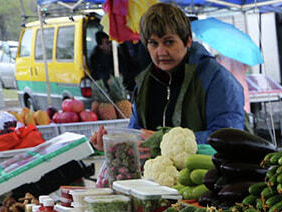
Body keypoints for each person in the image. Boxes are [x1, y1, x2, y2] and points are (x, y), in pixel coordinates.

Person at [91, 3, 244, 149]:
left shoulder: (216, 79)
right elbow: (138, 135)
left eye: (169, 42)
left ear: (188, 41)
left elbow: (228, 139)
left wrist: (165, 140)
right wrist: (113, 145)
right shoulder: (145, 83)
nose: (161, 52)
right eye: (154, 43)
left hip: (205, 174)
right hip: (153, 176)